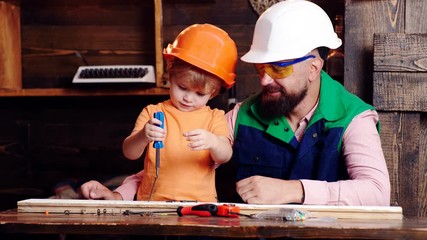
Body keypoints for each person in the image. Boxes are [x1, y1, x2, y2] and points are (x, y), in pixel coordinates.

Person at [81, 0, 391, 206]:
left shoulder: (353, 117)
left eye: (278, 68)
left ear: (314, 67)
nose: (265, 81)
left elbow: (377, 192)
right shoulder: (242, 114)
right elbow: (173, 164)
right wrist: (119, 194)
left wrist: (293, 190)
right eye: (260, 69)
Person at [80, 23, 238, 202]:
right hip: (151, 202)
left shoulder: (214, 117)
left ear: (213, 93)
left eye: (199, 93)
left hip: (199, 205)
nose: (188, 98)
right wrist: (143, 136)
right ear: (170, 77)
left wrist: (213, 142)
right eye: (182, 87)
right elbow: (130, 153)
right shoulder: (153, 112)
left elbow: (225, 156)